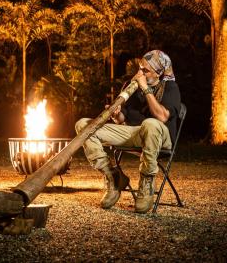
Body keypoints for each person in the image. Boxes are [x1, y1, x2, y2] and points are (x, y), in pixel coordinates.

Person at [75, 50, 181, 213]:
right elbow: (122, 120)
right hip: (133, 133)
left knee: (150, 124)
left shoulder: (170, 87)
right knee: (83, 125)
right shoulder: (131, 85)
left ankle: (146, 183)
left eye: (145, 70)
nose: (139, 73)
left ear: (158, 72)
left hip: (160, 136)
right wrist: (117, 114)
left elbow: (162, 116)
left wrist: (146, 89)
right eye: (139, 68)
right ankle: (113, 176)